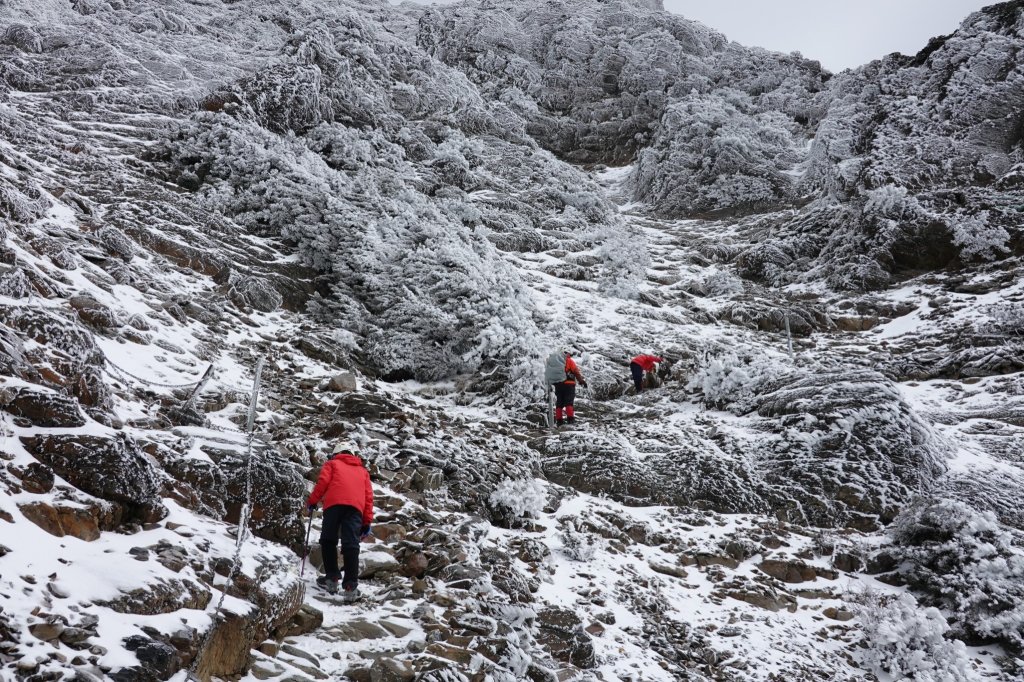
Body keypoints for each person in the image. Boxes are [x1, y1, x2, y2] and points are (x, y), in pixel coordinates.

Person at [306, 442, 374, 599]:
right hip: (355, 509)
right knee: (351, 544)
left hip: (333, 505)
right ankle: (350, 587)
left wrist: (312, 501)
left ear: (336, 453)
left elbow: (322, 483)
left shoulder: (332, 464)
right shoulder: (363, 471)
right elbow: (368, 498)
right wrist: (366, 522)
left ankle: (332, 578)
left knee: (328, 540)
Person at [546, 349, 587, 426]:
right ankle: (570, 420)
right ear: (567, 354)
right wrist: (581, 381)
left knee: (559, 403)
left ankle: (559, 421)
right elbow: (576, 372)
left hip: (558, 385)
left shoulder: (555, 361)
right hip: (569, 385)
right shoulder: (569, 361)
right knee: (569, 402)